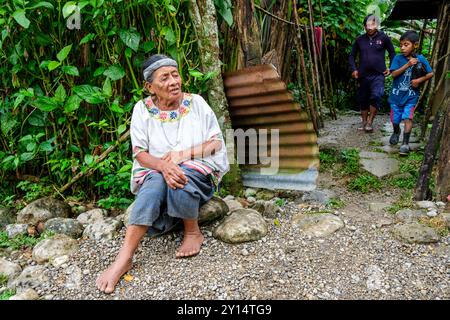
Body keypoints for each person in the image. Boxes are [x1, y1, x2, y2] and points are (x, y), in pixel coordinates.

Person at [96, 54, 229, 294]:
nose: (173, 82)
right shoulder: (142, 109)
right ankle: (124, 257)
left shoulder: (196, 103)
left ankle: (192, 231)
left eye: (175, 75)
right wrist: (163, 165)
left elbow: (215, 144)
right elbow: (140, 153)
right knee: (155, 183)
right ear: (150, 87)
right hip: (157, 169)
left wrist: (181, 156)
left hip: (197, 168)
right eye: (164, 78)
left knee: (179, 175)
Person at [388, 31, 433, 155]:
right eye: (401, 45)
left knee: (408, 118)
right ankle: (396, 131)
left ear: (415, 45)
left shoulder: (421, 59)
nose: (402, 47)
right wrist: (407, 65)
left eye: (406, 44)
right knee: (395, 120)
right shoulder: (398, 58)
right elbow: (393, 74)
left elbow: (430, 73)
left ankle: (405, 143)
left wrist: (419, 80)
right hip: (396, 96)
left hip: (411, 96)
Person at [349, 14, 395, 132]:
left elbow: (392, 53)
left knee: (376, 95)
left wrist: (391, 68)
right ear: (364, 26)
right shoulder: (359, 39)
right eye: (367, 25)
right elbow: (352, 56)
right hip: (363, 75)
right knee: (363, 99)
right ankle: (364, 122)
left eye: (372, 24)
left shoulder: (384, 38)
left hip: (378, 75)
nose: (369, 27)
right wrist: (354, 69)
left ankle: (370, 122)